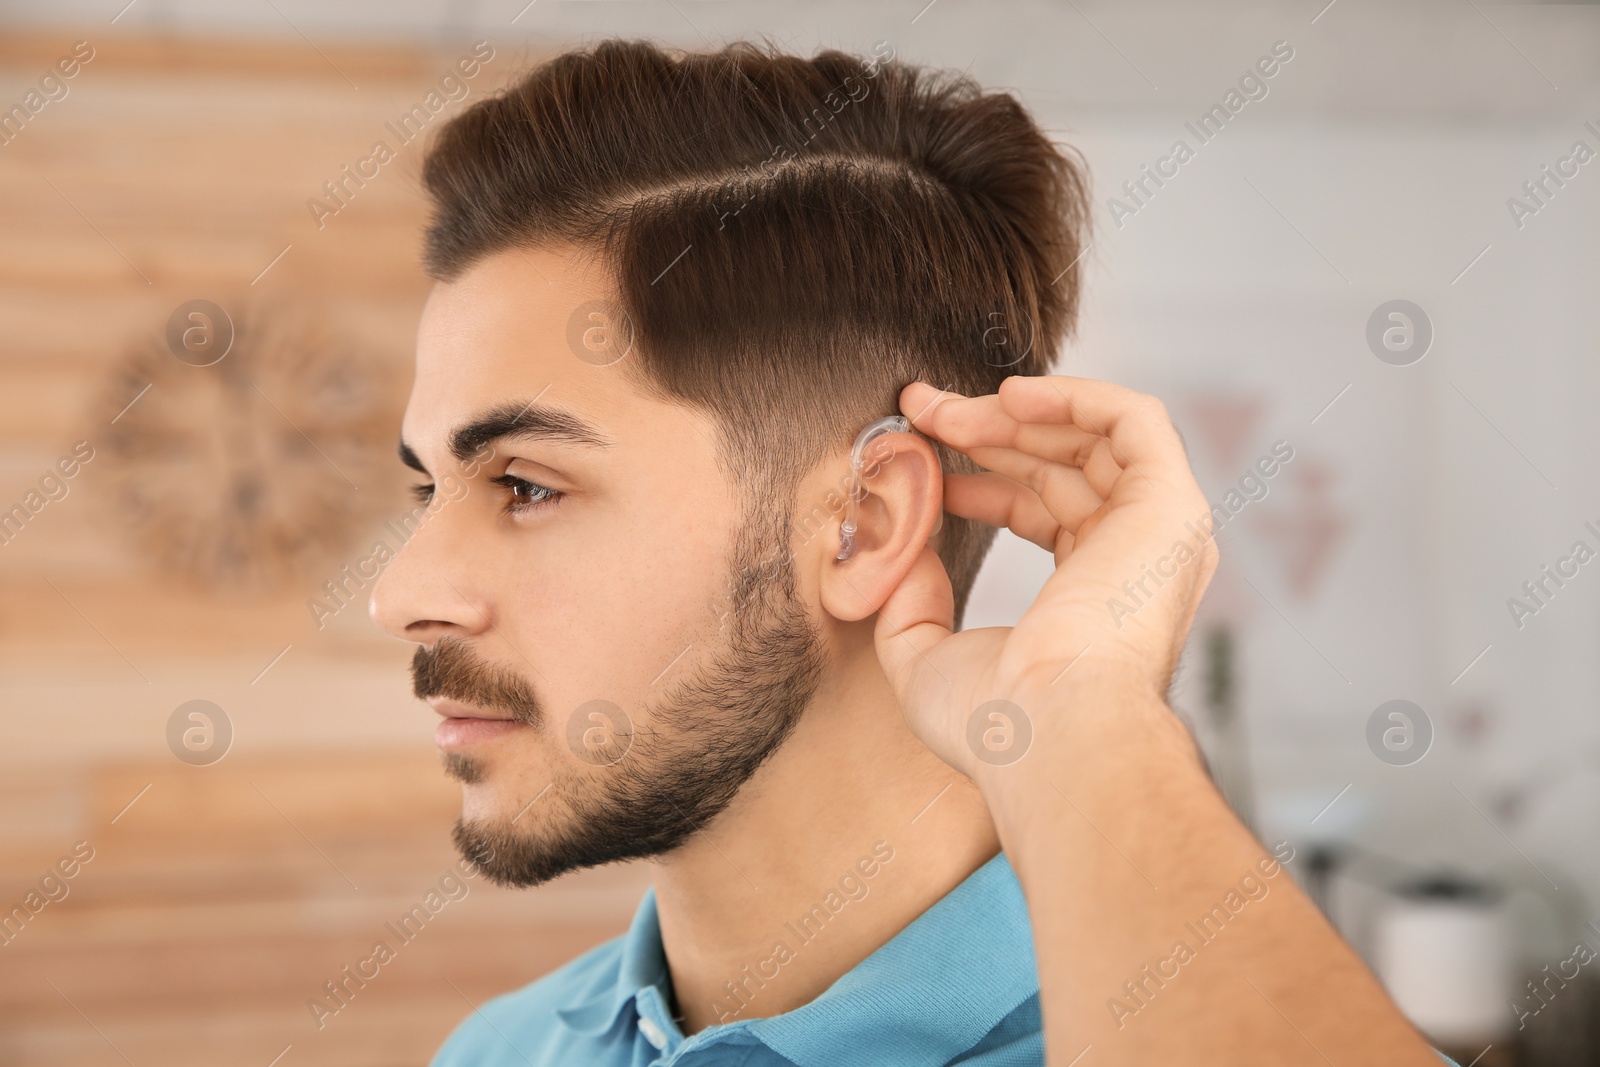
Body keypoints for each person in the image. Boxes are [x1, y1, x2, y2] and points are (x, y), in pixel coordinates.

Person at [370, 37, 1457, 1066]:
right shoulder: (501, 1049)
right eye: (430, 486)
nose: (401, 594)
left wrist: (1082, 708)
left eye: (523, 484)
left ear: (867, 523)